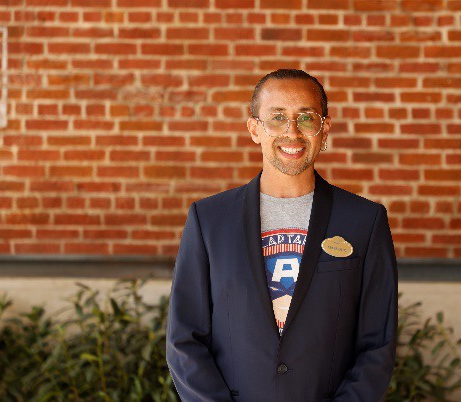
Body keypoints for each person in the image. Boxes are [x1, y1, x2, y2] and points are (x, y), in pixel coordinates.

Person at [166, 69, 398, 402]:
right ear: (254, 129)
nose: (292, 132)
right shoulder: (209, 220)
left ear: (324, 130)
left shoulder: (364, 221)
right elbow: (184, 339)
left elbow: (377, 344)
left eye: (306, 118)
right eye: (277, 118)